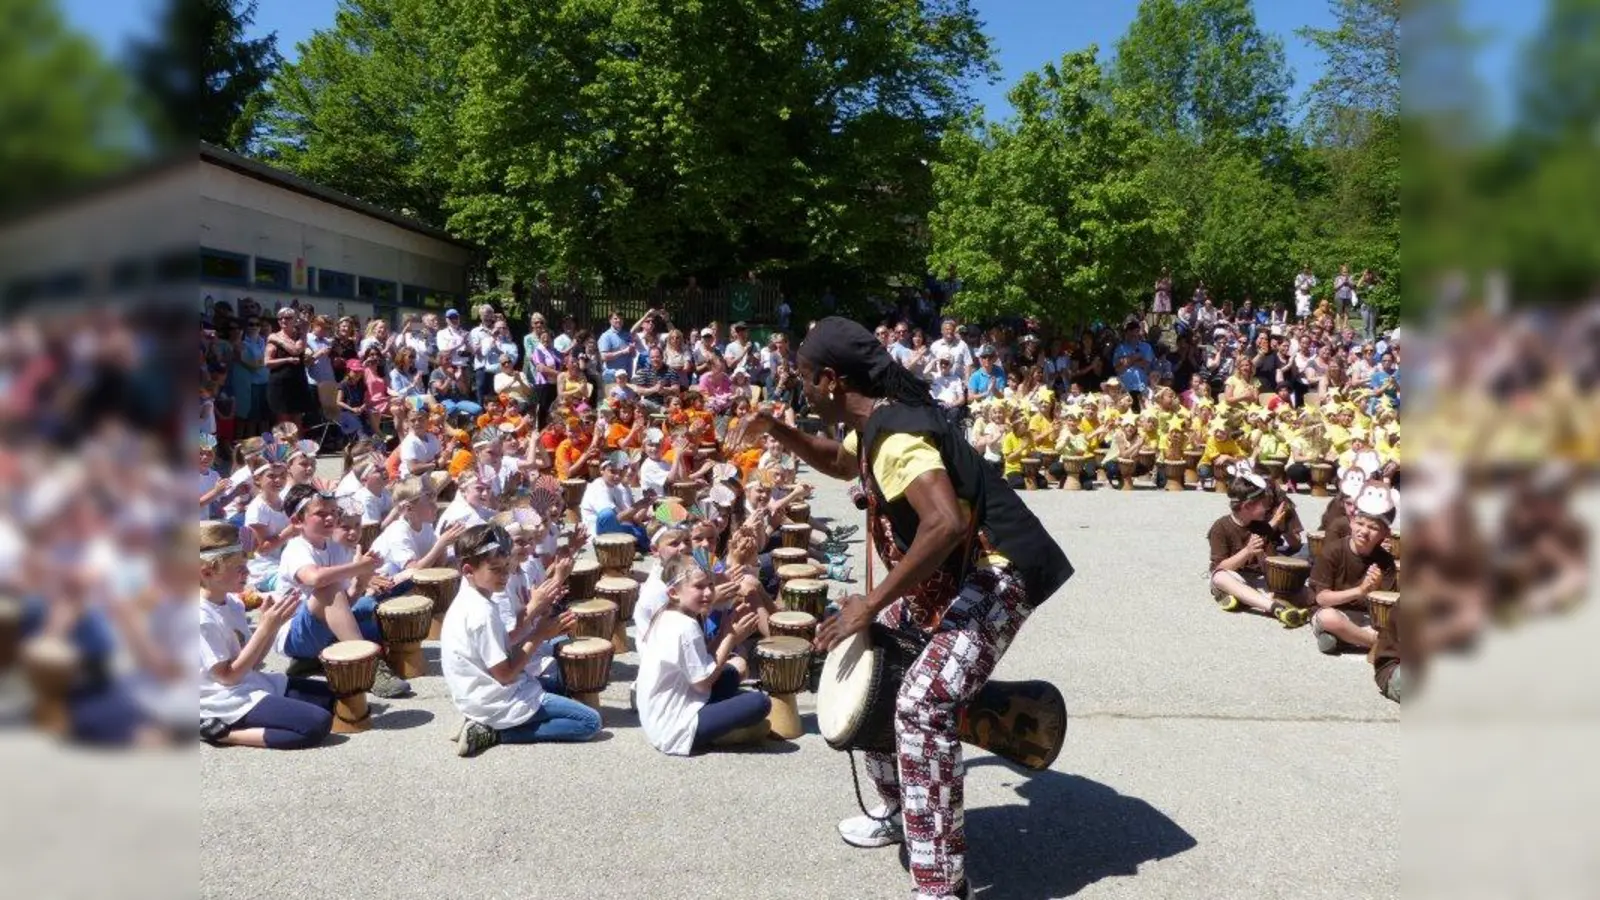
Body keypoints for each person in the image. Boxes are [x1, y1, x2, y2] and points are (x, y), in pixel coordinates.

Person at [726, 316, 1072, 900]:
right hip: (952, 572)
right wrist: (778, 429)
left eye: (804, 379)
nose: (801, 388)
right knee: (877, 664)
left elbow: (945, 523)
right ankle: (901, 810)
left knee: (920, 704)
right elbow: (842, 463)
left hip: (997, 572)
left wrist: (870, 603)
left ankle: (941, 884)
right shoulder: (875, 424)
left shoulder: (897, 437)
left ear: (832, 380)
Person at [446, 524, 602, 757]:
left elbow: (503, 651)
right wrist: (539, 635)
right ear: (468, 570)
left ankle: (482, 720)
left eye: (506, 567)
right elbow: (505, 675)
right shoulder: (481, 613)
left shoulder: (471, 596)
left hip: (477, 694)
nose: (504, 575)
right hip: (495, 699)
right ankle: (492, 732)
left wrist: (542, 624)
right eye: (495, 569)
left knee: (564, 685)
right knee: (590, 722)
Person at [198, 521, 334, 749]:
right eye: (239, 568)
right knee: (316, 724)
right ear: (207, 572)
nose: (248, 572)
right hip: (222, 699)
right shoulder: (202, 618)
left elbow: (252, 663)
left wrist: (272, 626)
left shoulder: (233, 603)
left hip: (247, 682)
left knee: (335, 698)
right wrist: (263, 628)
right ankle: (221, 733)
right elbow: (227, 678)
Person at [274, 485, 412, 697]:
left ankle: (316, 659)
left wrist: (361, 582)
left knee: (367, 606)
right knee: (328, 587)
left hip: (318, 629)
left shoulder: (336, 548)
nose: (330, 518)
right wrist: (359, 568)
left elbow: (342, 606)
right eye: (321, 514)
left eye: (333, 512)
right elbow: (316, 578)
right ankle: (368, 665)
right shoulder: (296, 548)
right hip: (293, 635)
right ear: (297, 521)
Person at [635, 555, 770, 755]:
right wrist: (730, 637)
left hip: (658, 716)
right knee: (761, 702)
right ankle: (717, 735)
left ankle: (723, 722)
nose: (708, 592)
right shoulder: (685, 626)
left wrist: (725, 630)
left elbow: (703, 658)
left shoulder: (668, 614)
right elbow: (702, 683)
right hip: (675, 727)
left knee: (731, 673)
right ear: (673, 593)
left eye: (710, 585)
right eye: (698, 587)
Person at [1205, 475, 1312, 627]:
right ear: (1247, 506)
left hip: (1257, 579)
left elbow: (1268, 565)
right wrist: (1247, 551)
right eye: (1263, 503)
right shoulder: (1220, 528)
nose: (1267, 507)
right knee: (1219, 578)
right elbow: (1220, 567)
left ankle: (1248, 600)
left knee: (1301, 590)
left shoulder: (1261, 527)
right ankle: (1276, 607)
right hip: (1234, 577)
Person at [1308, 483, 1398, 654]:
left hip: (1365, 617)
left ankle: (1344, 639)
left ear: (1385, 533)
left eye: (1373, 528)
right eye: (1360, 523)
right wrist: (1360, 591)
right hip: (1332, 611)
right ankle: (1377, 644)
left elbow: (1387, 608)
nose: (1364, 531)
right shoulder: (1333, 551)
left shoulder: (1386, 561)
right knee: (1329, 619)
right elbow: (1322, 599)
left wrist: (1377, 588)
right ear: (1351, 522)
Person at [370, 478, 466, 575]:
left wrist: (444, 543)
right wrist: (440, 544)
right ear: (409, 509)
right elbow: (413, 571)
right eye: (430, 503)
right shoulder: (398, 531)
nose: (436, 507)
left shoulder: (426, 526)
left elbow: (439, 564)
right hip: (385, 580)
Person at [581, 451, 652, 552]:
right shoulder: (598, 488)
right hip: (597, 534)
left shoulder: (615, 487)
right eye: (613, 471)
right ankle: (615, 550)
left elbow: (631, 517)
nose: (618, 476)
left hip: (616, 528)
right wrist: (639, 505)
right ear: (602, 470)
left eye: (621, 472)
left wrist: (647, 502)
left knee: (644, 532)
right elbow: (613, 519)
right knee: (607, 514)